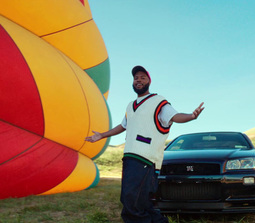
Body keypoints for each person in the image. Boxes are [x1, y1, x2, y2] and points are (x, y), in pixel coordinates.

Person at [85, 65, 204, 223]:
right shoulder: (130, 106)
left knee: (132, 202)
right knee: (141, 203)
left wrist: (191, 116)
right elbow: (123, 126)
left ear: (149, 81)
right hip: (129, 157)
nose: (138, 80)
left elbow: (175, 116)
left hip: (146, 159)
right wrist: (102, 135)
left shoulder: (158, 101)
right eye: (136, 78)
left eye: (142, 77)